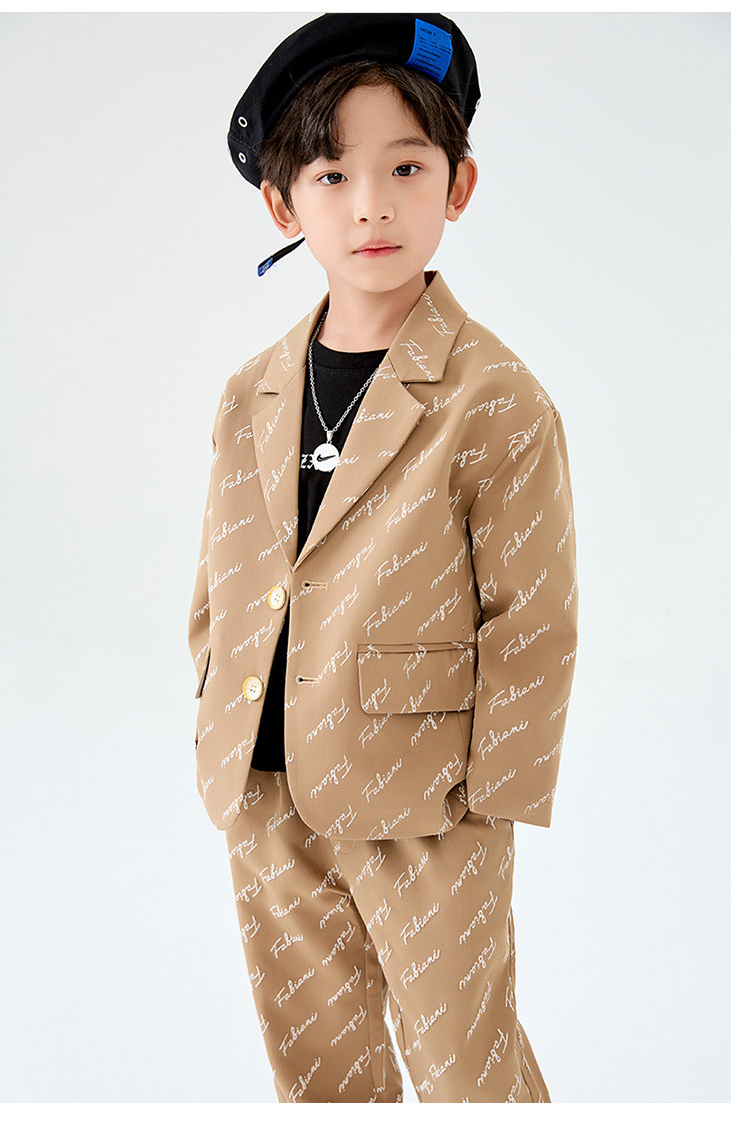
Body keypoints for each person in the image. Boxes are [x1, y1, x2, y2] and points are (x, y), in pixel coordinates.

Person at [188, 13, 578, 1103]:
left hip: (426, 796)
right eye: (332, 174)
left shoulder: (495, 398)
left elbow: (534, 617)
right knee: (317, 1063)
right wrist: (216, 708)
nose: (371, 204)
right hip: (262, 779)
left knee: (463, 1059)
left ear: (458, 185)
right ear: (284, 206)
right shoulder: (250, 391)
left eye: (406, 168)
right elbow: (221, 578)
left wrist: (489, 799)